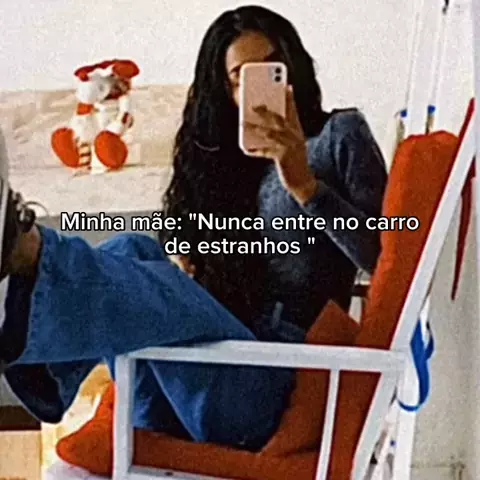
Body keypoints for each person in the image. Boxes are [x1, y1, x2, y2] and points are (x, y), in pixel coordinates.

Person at [0, 5, 387, 452]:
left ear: (292, 66)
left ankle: (28, 256)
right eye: (241, 77)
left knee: (129, 260)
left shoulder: (339, 135)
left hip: (274, 383)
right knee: (132, 247)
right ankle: (46, 373)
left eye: (271, 67)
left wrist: (307, 188)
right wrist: (186, 264)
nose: (258, 87)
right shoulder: (224, 159)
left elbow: (382, 255)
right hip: (210, 372)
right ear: (224, 89)